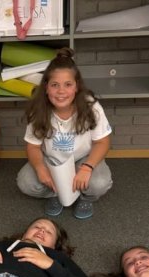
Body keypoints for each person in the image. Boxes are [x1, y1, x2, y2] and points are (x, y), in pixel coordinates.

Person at [17, 47, 113, 220]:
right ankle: (56, 193)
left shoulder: (91, 107)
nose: (61, 91)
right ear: (46, 88)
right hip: (52, 160)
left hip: (82, 159)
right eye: (55, 85)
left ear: (77, 87)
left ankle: (84, 198)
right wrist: (40, 168)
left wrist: (87, 167)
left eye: (68, 85)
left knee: (99, 183)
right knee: (25, 182)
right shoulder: (38, 109)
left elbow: (103, 142)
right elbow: (33, 146)